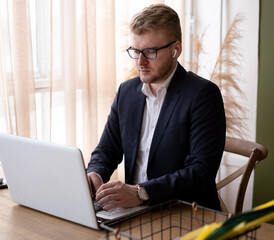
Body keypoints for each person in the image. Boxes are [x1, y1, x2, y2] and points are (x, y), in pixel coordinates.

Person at [86, 4, 226, 211]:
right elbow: (107, 150)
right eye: (135, 51)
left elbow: (200, 173)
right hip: (134, 212)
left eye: (150, 52)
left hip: (184, 212)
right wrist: (95, 174)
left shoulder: (203, 95)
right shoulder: (126, 92)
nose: (140, 62)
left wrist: (141, 193)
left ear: (175, 50)